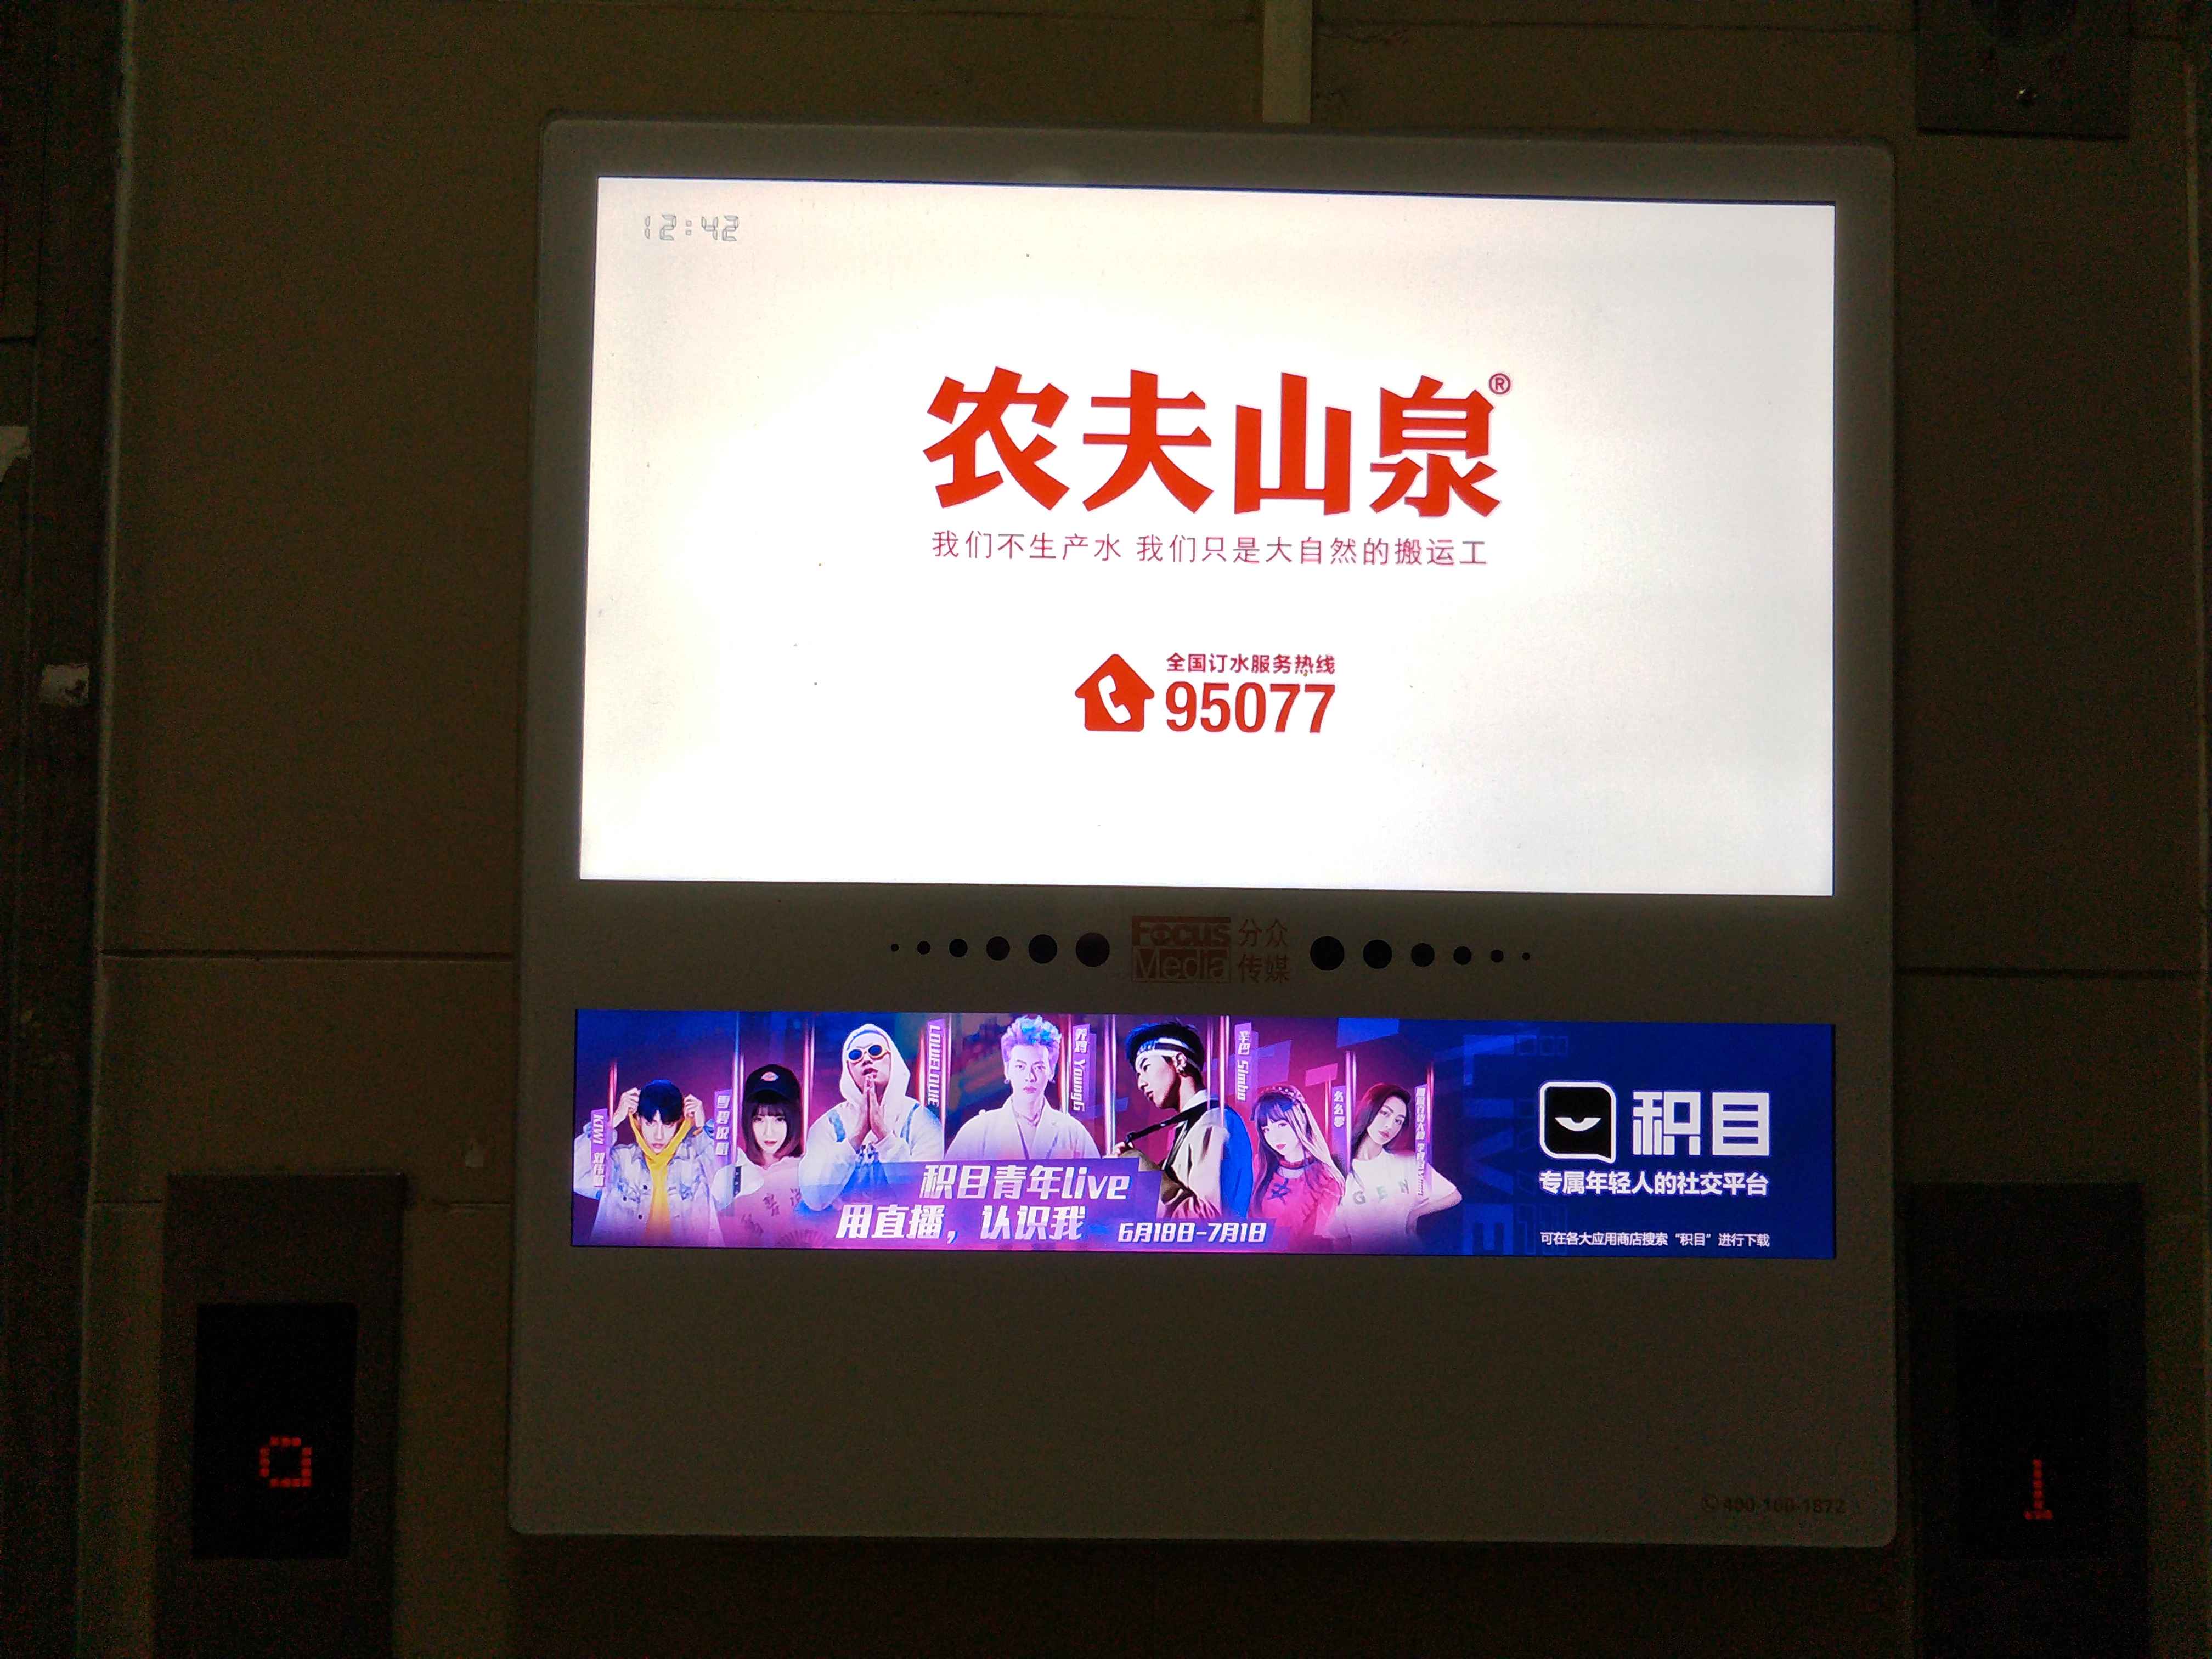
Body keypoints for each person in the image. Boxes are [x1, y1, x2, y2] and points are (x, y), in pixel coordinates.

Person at [1112, 1020, 1252, 1220]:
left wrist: (1138, 1167)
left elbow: (1209, 1220)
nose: (1141, 1083)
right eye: (1138, 1075)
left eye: (1146, 1068)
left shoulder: (1214, 1123)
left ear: (1179, 1061)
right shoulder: (1196, 1124)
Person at [797, 1022, 943, 1212]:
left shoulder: (922, 1120)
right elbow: (814, 1198)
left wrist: (885, 1137)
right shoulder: (829, 1125)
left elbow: (924, 1196)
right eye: (855, 1055)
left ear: (893, 1060)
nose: (866, 1059)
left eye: (875, 1051)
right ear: (848, 1069)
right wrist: (856, 1137)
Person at [571, 1077, 726, 1245]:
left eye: (668, 1125)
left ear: (679, 1123)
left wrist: (702, 1128)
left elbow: (728, 1191)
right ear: (638, 1120)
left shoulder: (697, 1162)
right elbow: (576, 1176)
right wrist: (613, 1122)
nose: (659, 1135)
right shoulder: (620, 1161)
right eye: (650, 1123)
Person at [1328, 1082, 1461, 1250]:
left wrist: (1415, 1214)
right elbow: (1338, 1238)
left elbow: (1454, 1196)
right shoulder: (1339, 1172)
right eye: (1385, 1113)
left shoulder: (1408, 1162)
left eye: (1398, 1121)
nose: (1390, 1126)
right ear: (1369, 1109)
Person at [947, 1015, 1100, 1160]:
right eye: (1020, 1067)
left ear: (1051, 1071)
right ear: (1007, 1070)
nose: (1030, 1077)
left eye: (1039, 1067)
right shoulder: (977, 1131)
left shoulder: (1073, 1133)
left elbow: (1098, 1175)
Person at [721, 1064, 812, 1247]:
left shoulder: (809, 1172)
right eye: (759, 1119)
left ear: (794, 1119)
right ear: (748, 1121)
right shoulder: (730, 1177)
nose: (768, 1132)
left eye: (779, 1119)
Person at [1248, 1084, 1344, 1246]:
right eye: (1266, 1129)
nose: (1275, 1137)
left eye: (1282, 1125)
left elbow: (1310, 1243)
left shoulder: (1327, 1180)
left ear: (1301, 1120)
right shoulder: (1261, 1165)